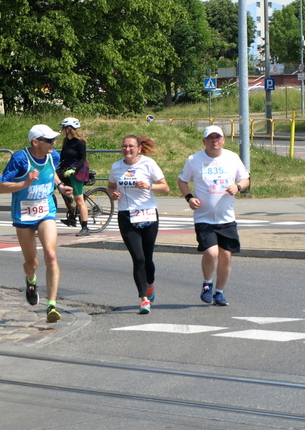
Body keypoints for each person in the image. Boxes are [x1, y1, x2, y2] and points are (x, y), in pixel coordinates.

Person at [0, 124, 72, 323]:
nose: (53, 143)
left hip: (45, 211)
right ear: (35, 142)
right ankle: (31, 281)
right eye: (49, 140)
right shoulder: (20, 159)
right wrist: (26, 183)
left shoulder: (53, 155)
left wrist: (60, 186)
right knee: (32, 263)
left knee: (51, 254)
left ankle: (51, 305)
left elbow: (51, 172)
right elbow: (2, 187)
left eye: (53, 140)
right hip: (23, 214)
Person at [177, 126, 250, 307]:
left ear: (223, 140)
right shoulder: (194, 160)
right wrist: (189, 197)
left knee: (226, 255)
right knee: (211, 252)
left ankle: (220, 292)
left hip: (226, 218)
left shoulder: (232, 158)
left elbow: (245, 179)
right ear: (204, 141)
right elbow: (182, 180)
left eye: (218, 137)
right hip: (204, 217)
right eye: (210, 138)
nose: (214, 140)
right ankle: (207, 284)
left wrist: (238, 187)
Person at [107, 135, 170, 314]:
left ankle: (150, 285)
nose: (128, 150)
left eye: (131, 147)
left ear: (139, 149)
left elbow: (165, 187)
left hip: (148, 213)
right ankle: (143, 299)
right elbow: (111, 186)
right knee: (138, 258)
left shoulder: (148, 164)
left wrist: (149, 185)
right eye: (125, 146)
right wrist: (113, 194)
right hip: (126, 215)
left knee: (148, 258)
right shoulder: (116, 167)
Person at [57, 117, 90, 236]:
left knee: (79, 200)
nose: (62, 130)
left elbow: (83, 159)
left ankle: (85, 227)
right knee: (62, 188)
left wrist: (74, 170)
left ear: (69, 129)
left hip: (78, 169)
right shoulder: (66, 141)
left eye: (63, 128)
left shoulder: (80, 142)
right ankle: (72, 215)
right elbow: (62, 157)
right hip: (66, 167)